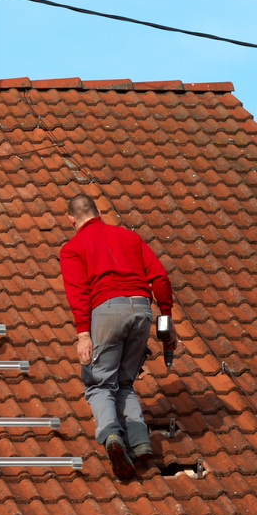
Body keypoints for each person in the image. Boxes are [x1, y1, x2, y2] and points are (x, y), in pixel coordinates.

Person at [60, 194, 176, 479]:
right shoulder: (129, 237)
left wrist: (84, 335)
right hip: (141, 308)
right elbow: (159, 277)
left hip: (106, 309)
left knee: (100, 383)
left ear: (71, 220)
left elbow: (78, 291)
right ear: (99, 212)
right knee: (124, 381)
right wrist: (167, 315)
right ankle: (139, 442)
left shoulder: (72, 248)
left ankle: (112, 436)